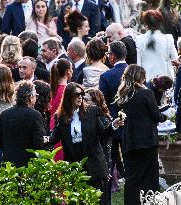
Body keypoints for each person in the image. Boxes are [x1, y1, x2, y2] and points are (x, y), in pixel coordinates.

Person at [45, 82, 124, 205]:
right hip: (74, 164)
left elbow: (102, 134)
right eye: (77, 94)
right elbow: (54, 137)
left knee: (99, 201)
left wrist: (113, 125)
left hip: (94, 164)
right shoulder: (60, 116)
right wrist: (42, 139)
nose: (80, 97)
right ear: (68, 96)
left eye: (82, 94)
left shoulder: (92, 111)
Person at [114, 64, 167, 205]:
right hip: (147, 141)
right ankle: (149, 202)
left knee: (132, 178)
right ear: (140, 77)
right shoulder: (146, 93)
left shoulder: (123, 95)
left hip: (130, 141)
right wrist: (165, 116)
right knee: (149, 177)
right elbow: (156, 116)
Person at [0, 80, 45, 167]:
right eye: (36, 96)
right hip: (28, 166)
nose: (36, 98)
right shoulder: (35, 115)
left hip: (8, 166)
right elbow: (38, 144)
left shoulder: (4, 114)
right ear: (30, 97)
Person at [99, 41, 128, 186]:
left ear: (112, 57)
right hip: (132, 122)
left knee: (113, 153)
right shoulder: (134, 72)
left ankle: (118, 177)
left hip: (114, 120)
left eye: (108, 54)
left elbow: (102, 101)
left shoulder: (107, 76)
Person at [135, 10, 178, 82]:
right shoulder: (168, 38)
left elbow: (138, 62)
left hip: (147, 79)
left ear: (146, 23)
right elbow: (174, 58)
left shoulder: (139, 39)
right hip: (166, 79)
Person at [50, 58, 73, 161]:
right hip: (64, 127)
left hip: (52, 124)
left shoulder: (52, 89)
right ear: (68, 71)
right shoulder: (67, 90)